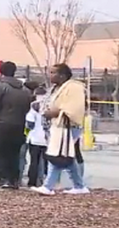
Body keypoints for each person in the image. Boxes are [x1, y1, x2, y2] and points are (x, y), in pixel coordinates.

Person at [32, 64, 89, 195]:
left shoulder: (74, 88)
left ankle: (48, 186)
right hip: (56, 126)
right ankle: (79, 186)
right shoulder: (55, 88)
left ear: (62, 75)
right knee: (66, 155)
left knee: (57, 154)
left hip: (67, 126)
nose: (50, 75)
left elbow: (73, 108)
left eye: (53, 73)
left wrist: (53, 112)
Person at [0, 61, 32, 189]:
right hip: (18, 124)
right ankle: (14, 179)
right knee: (14, 153)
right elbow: (27, 106)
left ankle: (3, 178)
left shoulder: (0, 87)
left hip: (0, 124)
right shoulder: (25, 89)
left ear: (0, 71)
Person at [26, 87, 49, 187]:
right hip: (48, 138)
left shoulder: (33, 106)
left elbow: (30, 123)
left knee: (34, 161)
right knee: (47, 161)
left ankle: (32, 182)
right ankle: (47, 181)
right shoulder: (50, 105)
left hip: (35, 137)